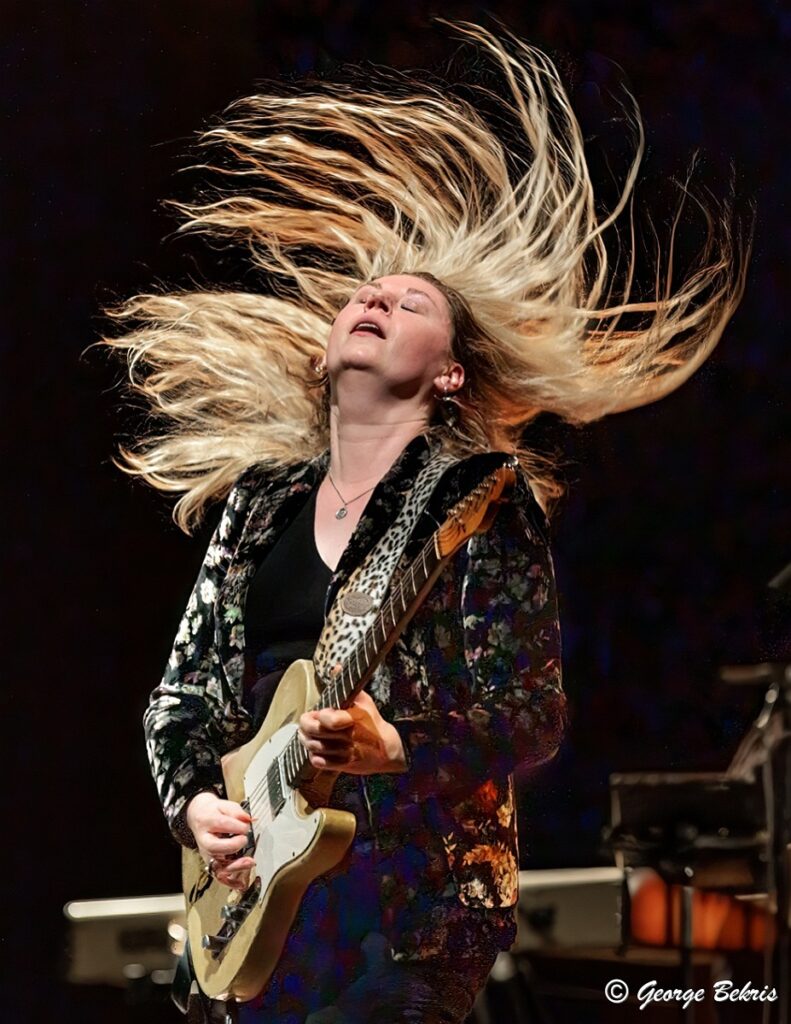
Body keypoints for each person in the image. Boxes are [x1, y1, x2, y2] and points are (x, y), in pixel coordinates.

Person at [105, 22, 747, 1023]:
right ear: (322, 355)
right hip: (259, 907)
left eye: (409, 304)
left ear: (449, 373)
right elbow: (181, 695)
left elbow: (529, 712)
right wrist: (197, 806)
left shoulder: (475, 497)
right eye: (364, 295)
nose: (374, 299)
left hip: (408, 910)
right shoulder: (259, 502)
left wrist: (393, 742)